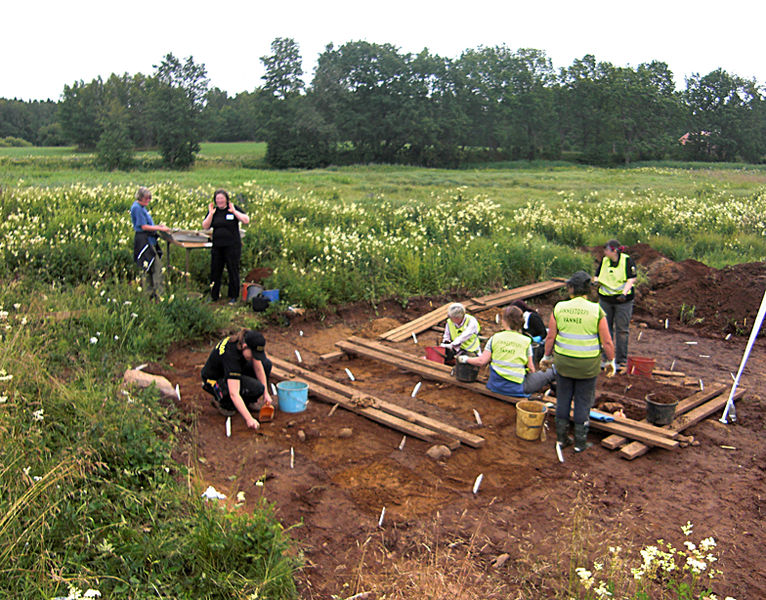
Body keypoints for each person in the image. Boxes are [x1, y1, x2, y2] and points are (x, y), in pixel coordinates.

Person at [541, 271, 616, 452]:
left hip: (564, 363)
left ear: (571, 288)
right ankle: (580, 444)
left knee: (563, 399)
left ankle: (561, 438)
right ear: (588, 290)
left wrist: (546, 356)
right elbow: (606, 341)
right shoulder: (596, 310)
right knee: (583, 401)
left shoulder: (559, 308)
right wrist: (611, 361)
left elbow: (551, 336)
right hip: (588, 365)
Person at [458, 305, 555, 397]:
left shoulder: (495, 338)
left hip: (495, 386)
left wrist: (465, 359)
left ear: (503, 321)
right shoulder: (526, 341)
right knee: (551, 372)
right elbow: (531, 369)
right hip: (517, 389)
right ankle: (554, 390)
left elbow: (481, 361)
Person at [201, 329, 274, 430]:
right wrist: (249, 419)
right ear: (244, 347)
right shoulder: (231, 356)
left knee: (266, 364)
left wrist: (266, 393)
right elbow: (234, 393)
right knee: (256, 388)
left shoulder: (247, 339)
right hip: (215, 380)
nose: (254, 356)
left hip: (226, 370)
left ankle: (248, 400)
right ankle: (224, 403)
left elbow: (258, 368)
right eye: (253, 354)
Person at [594, 239, 637, 370]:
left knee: (622, 330)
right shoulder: (605, 261)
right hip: (606, 299)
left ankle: (621, 359)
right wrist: (596, 282)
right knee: (605, 329)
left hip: (622, 301)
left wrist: (624, 293)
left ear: (614, 250)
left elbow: (631, 278)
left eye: (606, 250)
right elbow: (597, 275)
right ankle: (607, 356)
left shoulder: (626, 260)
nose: (604, 252)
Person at [202, 188, 250, 304]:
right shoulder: (214, 211)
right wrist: (211, 214)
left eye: (222, 198)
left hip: (232, 246)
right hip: (217, 246)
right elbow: (205, 226)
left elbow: (246, 220)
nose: (220, 201)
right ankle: (214, 295)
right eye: (217, 199)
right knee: (215, 270)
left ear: (227, 199)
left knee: (232, 270)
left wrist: (234, 212)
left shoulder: (233, 209)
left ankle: (233, 296)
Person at [130, 186, 170, 301]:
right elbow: (143, 226)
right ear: (141, 197)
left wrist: (158, 227)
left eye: (149, 198)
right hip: (144, 241)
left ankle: (151, 294)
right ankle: (157, 295)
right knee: (155, 267)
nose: (148, 200)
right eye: (147, 198)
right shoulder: (137, 208)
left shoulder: (142, 207)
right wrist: (159, 228)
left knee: (150, 267)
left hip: (149, 239)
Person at [511, 299, 547, 365]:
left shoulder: (533, 318)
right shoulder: (516, 319)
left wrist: (536, 339)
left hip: (537, 346)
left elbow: (543, 333)